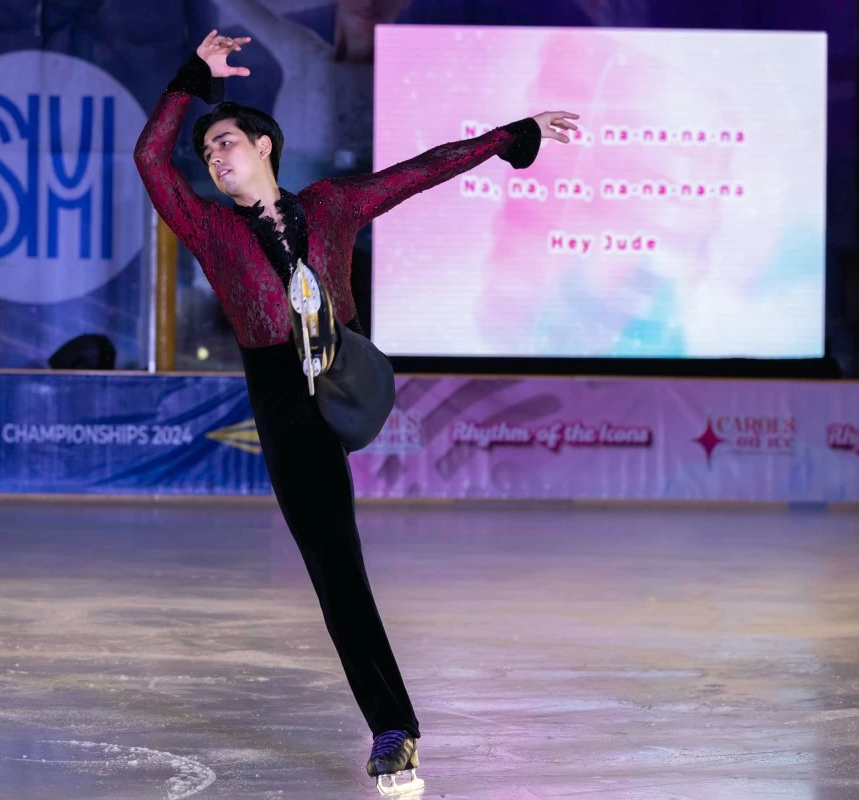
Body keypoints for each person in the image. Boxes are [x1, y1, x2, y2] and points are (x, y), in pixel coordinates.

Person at [133, 29, 578, 794]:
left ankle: (393, 724)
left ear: (264, 146)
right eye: (206, 152)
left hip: (345, 372)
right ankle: (394, 730)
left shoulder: (331, 206)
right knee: (336, 568)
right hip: (283, 398)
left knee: (339, 561)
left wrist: (512, 136)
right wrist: (191, 80)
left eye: (226, 141)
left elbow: (418, 172)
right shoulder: (209, 229)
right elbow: (150, 159)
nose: (214, 157)